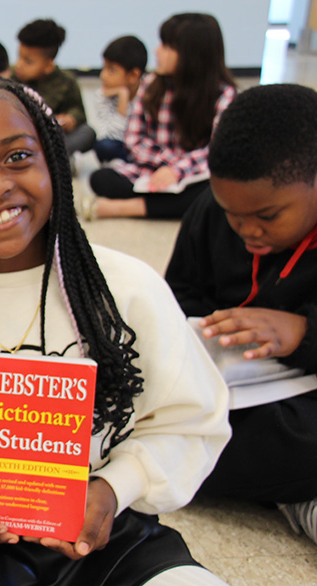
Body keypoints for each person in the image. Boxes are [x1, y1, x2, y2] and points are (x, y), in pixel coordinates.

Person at [0, 74, 231, 586]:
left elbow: (191, 423)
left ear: (55, 163)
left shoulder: (126, 287)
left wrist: (113, 487)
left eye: (17, 157)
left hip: (112, 535)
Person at [165, 83, 317, 546]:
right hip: (225, 397)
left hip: (301, 397)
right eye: (234, 214)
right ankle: (288, 491)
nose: (248, 229)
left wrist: (303, 332)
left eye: (269, 216)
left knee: (295, 437)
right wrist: (198, 331)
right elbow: (179, 295)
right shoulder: (209, 213)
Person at [87, 13, 236, 220]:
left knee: (214, 192)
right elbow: (133, 139)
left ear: (192, 54)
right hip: (151, 171)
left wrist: (176, 171)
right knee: (100, 179)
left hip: (192, 176)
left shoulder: (224, 94)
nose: (157, 51)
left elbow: (216, 152)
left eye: (166, 46)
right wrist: (165, 167)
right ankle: (161, 205)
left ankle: (123, 208)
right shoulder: (151, 84)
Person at [12, 19, 95, 158]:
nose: (19, 64)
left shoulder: (66, 81)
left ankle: (53, 156)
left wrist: (71, 119)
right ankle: (57, 158)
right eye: (19, 57)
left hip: (53, 138)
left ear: (48, 65)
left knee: (88, 132)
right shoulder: (12, 78)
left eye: (28, 61)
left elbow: (79, 112)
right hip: (22, 135)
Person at [93, 35, 147, 164]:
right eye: (103, 68)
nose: (103, 75)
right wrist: (123, 97)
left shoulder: (150, 95)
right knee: (104, 146)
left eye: (111, 70)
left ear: (134, 75)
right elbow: (109, 136)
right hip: (118, 149)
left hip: (142, 152)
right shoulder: (102, 95)